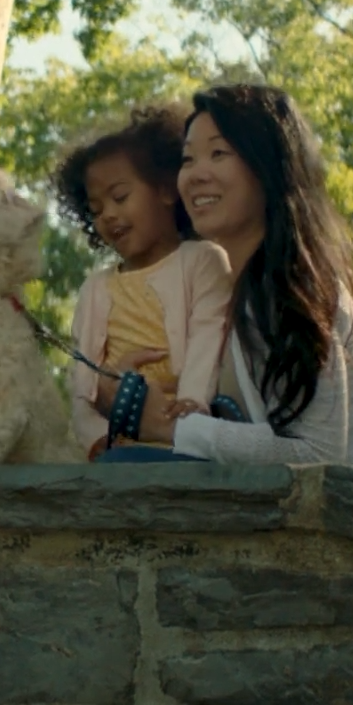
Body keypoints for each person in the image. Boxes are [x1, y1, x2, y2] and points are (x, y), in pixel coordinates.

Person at [103, 84, 353, 469]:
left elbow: (316, 453)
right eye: (188, 160)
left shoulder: (288, 288)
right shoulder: (238, 292)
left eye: (218, 154)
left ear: (267, 166)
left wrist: (174, 429)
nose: (196, 175)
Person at [53, 105, 231, 458]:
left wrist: (191, 407)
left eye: (120, 197)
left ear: (166, 189)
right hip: (119, 447)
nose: (108, 215)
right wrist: (97, 438)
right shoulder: (96, 288)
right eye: (96, 209)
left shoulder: (203, 260)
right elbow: (83, 384)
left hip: (190, 440)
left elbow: (209, 337)